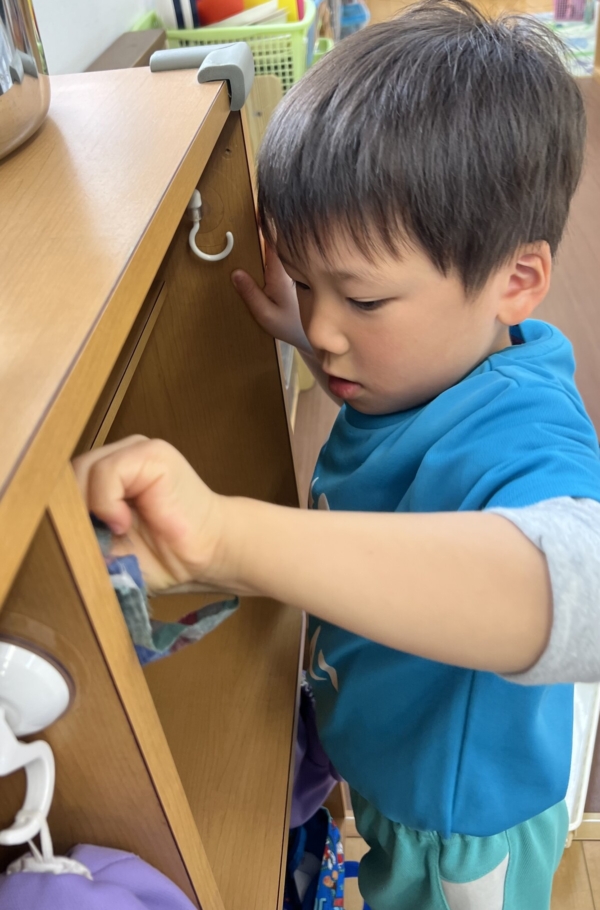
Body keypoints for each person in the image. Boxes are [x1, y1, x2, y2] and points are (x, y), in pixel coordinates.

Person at [74, 2, 600, 907]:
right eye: (306, 282)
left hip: (456, 828)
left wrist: (228, 538)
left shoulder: (522, 428)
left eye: (362, 300)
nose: (324, 329)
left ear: (515, 282)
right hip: (388, 755)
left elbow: (573, 580)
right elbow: (357, 344)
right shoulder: (423, 358)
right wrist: (309, 324)